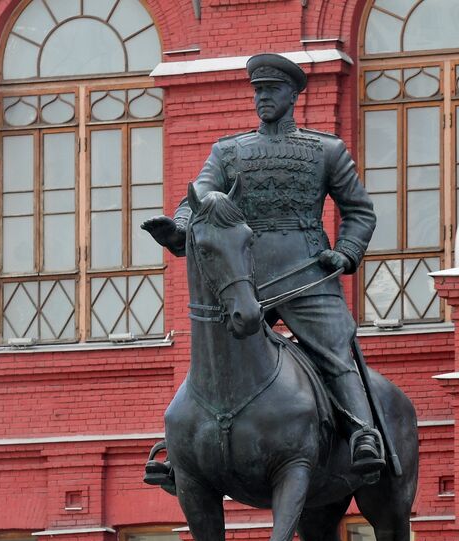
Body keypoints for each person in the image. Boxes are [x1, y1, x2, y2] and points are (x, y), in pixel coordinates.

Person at [142, 53, 385, 480]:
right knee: (212, 351)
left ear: (292, 95)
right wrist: (178, 228)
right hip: (245, 276)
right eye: (258, 91)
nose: (263, 99)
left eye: (271, 91)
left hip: (307, 273)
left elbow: (359, 212)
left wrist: (345, 252)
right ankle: (180, 450)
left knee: (334, 348)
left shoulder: (326, 150)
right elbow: (196, 199)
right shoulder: (228, 152)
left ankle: (364, 433)